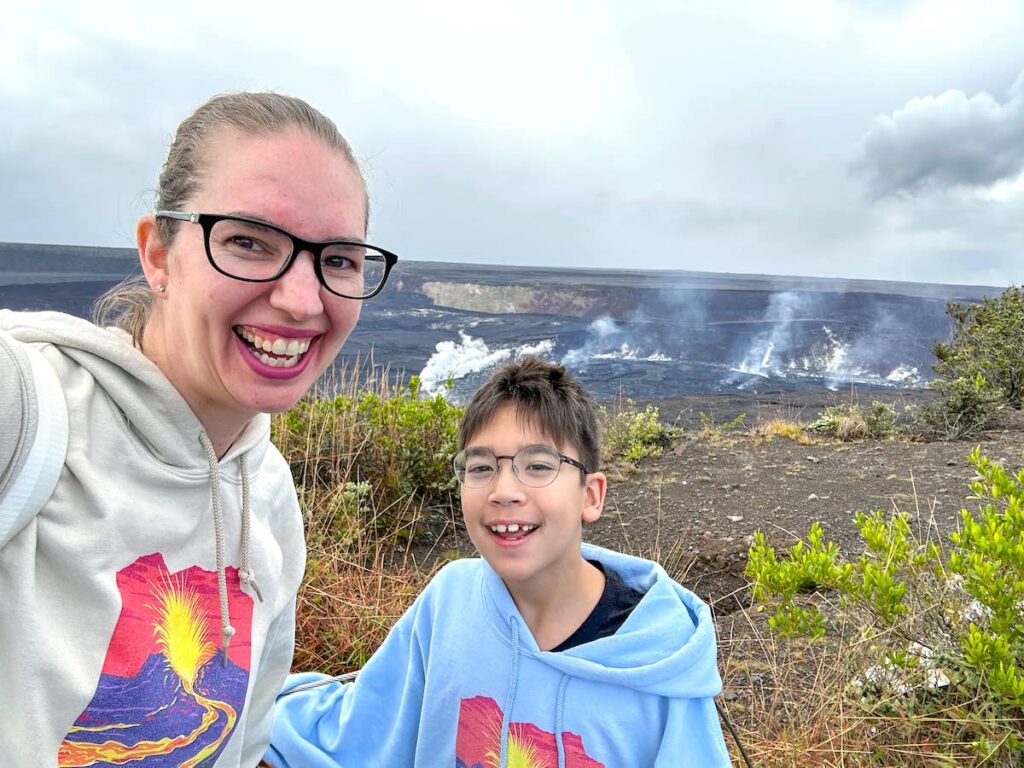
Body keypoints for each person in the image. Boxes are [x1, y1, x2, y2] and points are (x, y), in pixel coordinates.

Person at [0, 91, 398, 766]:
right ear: (158, 253)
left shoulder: (268, 494)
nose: (301, 301)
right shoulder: (27, 411)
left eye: (338, 260)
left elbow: (244, 744)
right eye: (247, 241)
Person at [265, 356, 730, 767]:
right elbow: (362, 729)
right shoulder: (449, 602)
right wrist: (252, 698)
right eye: (481, 467)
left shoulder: (660, 669)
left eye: (539, 465)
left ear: (591, 495)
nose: (503, 491)